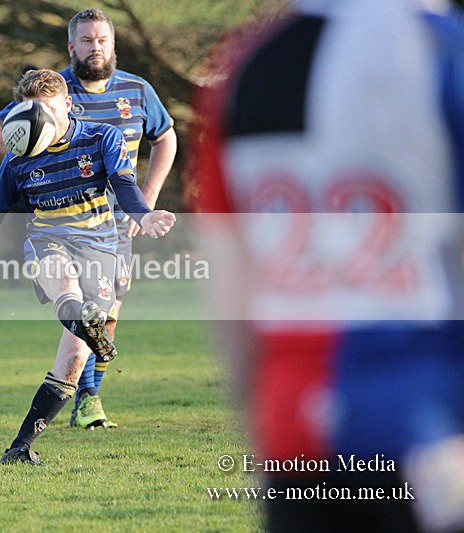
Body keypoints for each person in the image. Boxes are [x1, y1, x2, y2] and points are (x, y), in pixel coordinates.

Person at [189, 0, 464, 530]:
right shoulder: (441, 53)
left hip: (293, 439)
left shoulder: (246, 68)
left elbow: (233, 295)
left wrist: (265, 441)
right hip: (431, 429)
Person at [0, 69, 175, 464]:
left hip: (100, 248)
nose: (37, 121)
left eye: (45, 110)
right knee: (65, 289)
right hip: (48, 241)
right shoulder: (18, 159)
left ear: (68, 105)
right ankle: (92, 328)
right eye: (29, 112)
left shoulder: (101, 138)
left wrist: (144, 216)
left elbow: (124, 183)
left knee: (74, 360)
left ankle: (20, 447)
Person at [0, 7, 177, 429]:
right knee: (80, 307)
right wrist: (38, 163)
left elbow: (166, 137)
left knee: (107, 311)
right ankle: (87, 398)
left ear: (113, 44)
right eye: (86, 40)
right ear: (71, 46)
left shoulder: (137, 90)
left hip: (118, 220)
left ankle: (88, 396)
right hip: (67, 222)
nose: (95, 47)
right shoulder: (52, 91)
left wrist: (147, 197)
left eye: (102, 39)